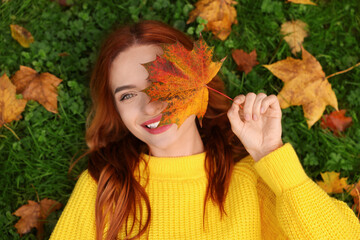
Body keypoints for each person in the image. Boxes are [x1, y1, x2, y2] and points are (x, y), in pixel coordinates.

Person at [50, 20, 360, 240]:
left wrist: (270, 154)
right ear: (115, 109)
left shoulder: (252, 177)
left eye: (161, 84)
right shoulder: (104, 186)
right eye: (128, 95)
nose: (149, 106)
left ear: (196, 82)